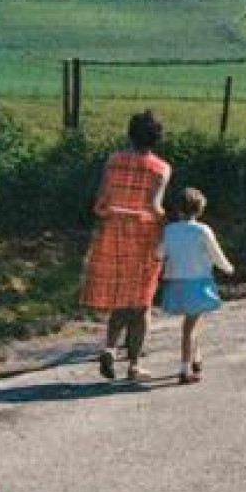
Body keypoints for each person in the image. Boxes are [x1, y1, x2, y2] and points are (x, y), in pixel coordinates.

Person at [82, 110, 171, 381]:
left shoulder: (112, 161)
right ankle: (133, 364)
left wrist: (115, 211)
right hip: (145, 238)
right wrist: (169, 221)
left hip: (113, 234)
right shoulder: (161, 168)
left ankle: (109, 348)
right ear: (157, 137)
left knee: (120, 299)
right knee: (142, 303)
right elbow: (155, 207)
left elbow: (100, 203)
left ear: (129, 133)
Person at [160, 187, 234, 385]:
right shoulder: (202, 230)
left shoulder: (169, 230)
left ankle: (196, 357)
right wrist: (228, 269)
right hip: (197, 282)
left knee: (194, 321)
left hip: (176, 283)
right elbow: (216, 254)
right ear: (199, 209)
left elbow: (158, 254)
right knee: (189, 327)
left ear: (177, 208)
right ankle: (184, 370)